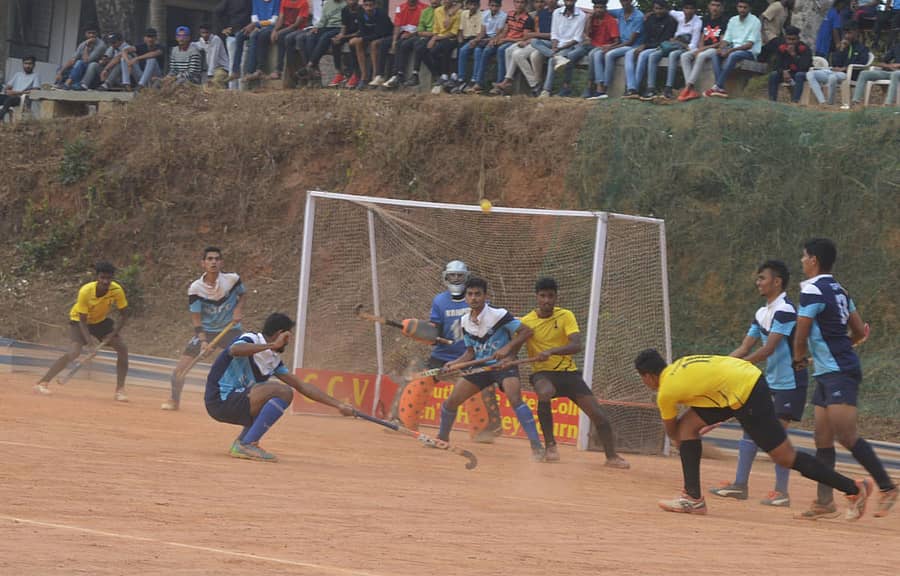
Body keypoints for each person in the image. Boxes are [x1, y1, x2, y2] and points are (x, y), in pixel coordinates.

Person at [634, 350, 872, 518]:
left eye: (642, 378)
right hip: (740, 379)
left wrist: (684, 444)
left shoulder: (665, 392)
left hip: (745, 391)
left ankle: (854, 487)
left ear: (648, 376)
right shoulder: (678, 365)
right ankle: (693, 498)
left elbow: (672, 432)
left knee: (784, 456)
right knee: (688, 428)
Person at [793, 238, 897, 519]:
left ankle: (887, 487)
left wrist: (798, 359)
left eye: (803, 257)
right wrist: (835, 348)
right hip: (831, 370)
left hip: (839, 372)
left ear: (814, 260)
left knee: (846, 435)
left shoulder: (811, 289)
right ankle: (824, 502)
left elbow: (801, 334)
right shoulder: (840, 289)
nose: (801, 261)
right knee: (822, 438)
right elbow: (860, 332)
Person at [708, 260, 807, 507]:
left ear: (777, 281)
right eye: (758, 278)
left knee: (776, 436)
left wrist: (739, 367)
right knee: (750, 428)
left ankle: (781, 492)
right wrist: (717, 366)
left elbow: (769, 349)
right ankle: (740, 485)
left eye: (762, 278)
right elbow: (745, 347)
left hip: (790, 382)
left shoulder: (785, 309)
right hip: (770, 381)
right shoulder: (762, 313)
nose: (758, 282)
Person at [205, 312, 354, 461]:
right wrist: (272, 345)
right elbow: (234, 350)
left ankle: (243, 442)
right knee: (282, 391)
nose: (289, 341)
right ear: (280, 333)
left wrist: (339, 405)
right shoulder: (251, 338)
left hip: (236, 403)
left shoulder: (274, 360)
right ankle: (247, 444)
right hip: (220, 400)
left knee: (278, 395)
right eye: (288, 336)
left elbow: (302, 386)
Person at [517, 278, 629, 467]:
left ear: (556, 297)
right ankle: (550, 446)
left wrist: (551, 351)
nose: (546, 300)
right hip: (543, 373)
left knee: (598, 414)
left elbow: (576, 345)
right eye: (542, 296)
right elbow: (514, 344)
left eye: (550, 296)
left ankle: (611, 457)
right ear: (536, 297)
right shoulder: (526, 322)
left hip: (569, 374)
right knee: (544, 392)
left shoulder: (566, 315)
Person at [389, 261, 502, 443]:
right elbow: (435, 330)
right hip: (442, 356)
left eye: (460, 276)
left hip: (470, 358)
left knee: (479, 386)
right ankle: (401, 420)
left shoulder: (478, 300)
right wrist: (420, 331)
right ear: (445, 278)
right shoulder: (439, 301)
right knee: (417, 380)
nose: (456, 279)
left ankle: (486, 428)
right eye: (452, 276)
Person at [436, 277, 544, 460]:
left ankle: (537, 447)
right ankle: (442, 438)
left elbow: (526, 332)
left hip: (504, 365)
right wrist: (454, 364)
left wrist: (508, 349)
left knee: (515, 398)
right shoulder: (464, 321)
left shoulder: (498, 315)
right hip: (481, 368)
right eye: (470, 294)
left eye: (478, 294)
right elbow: (470, 353)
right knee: (451, 401)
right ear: (465, 298)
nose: (474, 298)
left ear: (485, 296)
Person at [162, 246, 247, 411]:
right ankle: (174, 399)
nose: (213, 262)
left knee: (243, 363)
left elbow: (243, 294)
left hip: (231, 330)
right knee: (181, 369)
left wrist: (238, 309)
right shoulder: (195, 288)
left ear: (221, 262)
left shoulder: (232, 280)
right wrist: (202, 342)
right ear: (203, 263)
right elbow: (196, 320)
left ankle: (241, 402)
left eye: (216, 259)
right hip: (206, 332)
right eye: (209, 259)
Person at [35, 262, 130, 402]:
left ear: (112, 278)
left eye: (109, 278)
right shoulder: (85, 291)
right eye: (102, 277)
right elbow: (82, 321)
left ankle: (119, 390)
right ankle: (42, 383)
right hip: (79, 321)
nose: (106, 281)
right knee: (74, 352)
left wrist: (113, 333)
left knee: (122, 348)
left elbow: (125, 314)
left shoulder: (117, 290)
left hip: (100, 321)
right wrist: (91, 345)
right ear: (97, 277)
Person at [704, 0, 761, 98]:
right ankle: (720, 88)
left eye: (745, 7)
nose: (742, 9)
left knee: (733, 55)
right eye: (740, 7)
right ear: (737, 7)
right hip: (733, 49)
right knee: (714, 53)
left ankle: (717, 86)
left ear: (749, 8)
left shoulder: (755, 21)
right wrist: (721, 48)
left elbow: (750, 45)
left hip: (749, 52)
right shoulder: (733, 20)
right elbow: (726, 39)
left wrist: (730, 50)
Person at [622, 0, 676, 99]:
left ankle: (637, 88)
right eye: (656, 8)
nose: (658, 11)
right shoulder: (650, 18)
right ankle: (631, 88)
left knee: (643, 55)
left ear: (666, 9)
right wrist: (643, 45)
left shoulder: (670, 21)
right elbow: (646, 35)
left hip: (660, 47)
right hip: (647, 45)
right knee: (629, 53)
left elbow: (664, 40)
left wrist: (645, 46)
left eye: (661, 9)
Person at [649, 0, 701, 101]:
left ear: (695, 10)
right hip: (673, 44)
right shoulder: (679, 15)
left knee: (673, 55)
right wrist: (650, 13)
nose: (688, 11)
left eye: (691, 8)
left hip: (684, 47)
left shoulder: (697, 23)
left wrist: (679, 43)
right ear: (683, 9)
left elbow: (693, 46)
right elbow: (667, 11)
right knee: (653, 56)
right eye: (686, 8)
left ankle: (668, 88)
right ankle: (650, 88)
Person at [537, 0, 589, 98]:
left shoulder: (581, 15)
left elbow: (576, 39)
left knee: (552, 60)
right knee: (534, 42)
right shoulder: (557, 12)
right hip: (556, 44)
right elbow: (554, 33)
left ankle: (546, 90)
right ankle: (556, 56)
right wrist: (554, 47)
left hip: (569, 45)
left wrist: (560, 48)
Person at [677, 0, 727, 102]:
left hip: (715, 50)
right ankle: (691, 89)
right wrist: (700, 48)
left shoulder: (724, 21)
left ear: (722, 8)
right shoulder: (705, 20)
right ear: (709, 6)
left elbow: (721, 43)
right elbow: (702, 38)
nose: (715, 8)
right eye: (713, 5)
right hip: (703, 48)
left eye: (718, 5)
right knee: (685, 56)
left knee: (700, 56)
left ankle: (688, 87)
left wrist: (702, 50)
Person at [381, 0, 429, 89]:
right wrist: (394, 41)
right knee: (385, 44)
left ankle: (398, 74)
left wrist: (412, 34)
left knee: (402, 44)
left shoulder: (424, 8)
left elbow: (423, 27)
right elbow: (397, 25)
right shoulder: (400, 7)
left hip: (416, 35)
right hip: (403, 34)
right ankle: (381, 75)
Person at [350, 0, 394, 89]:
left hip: (385, 35)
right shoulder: (361, 14)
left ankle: (375, 75)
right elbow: (362, 31)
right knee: (357, 43)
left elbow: (380, 33)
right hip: (370, 36)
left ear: (375, 6)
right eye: (366, 5)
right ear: (363, 6)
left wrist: (363, 38)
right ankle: (364, 76)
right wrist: (360, 38)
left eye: (371, 5)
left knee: (374, 44)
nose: (369, 8)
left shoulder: (381, 14)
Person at [603, 0, 644, 96]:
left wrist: (612, 47)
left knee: (610, 54)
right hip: (622, 45)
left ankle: (606, 86)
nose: (623, 2)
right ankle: (604, 87)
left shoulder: (638, 16)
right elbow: (604, 11)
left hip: (634, 46)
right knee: (604, 53)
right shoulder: (620, 12)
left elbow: (631, 41)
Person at [583, 0, 621, 99]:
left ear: (605, 8)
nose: (598, 10)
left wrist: (610, 46)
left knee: (593, 55)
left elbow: (617, 41)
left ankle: (596, 87)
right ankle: (591, 86)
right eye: (596, 8)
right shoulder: (593, 18)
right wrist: (589, 19)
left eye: (601, 7)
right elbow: (587, 35)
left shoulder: (611, 21)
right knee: (573, 55)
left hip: (604, 46)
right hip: (592, 45)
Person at [266, 0, 310, 80]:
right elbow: (281, 17)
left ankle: (283, 70)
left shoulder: (303, 3)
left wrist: (280, 32)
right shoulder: (284, 1)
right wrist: (275, 30)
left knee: (284, 37)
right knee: (271, 35)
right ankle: (279, 70)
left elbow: (297, 24)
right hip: (286, 27)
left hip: (299, 28)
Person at [766, 25, 811, 103]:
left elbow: (805, 67)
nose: (791, 42)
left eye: (793, 39)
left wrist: (794, 55)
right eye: (788, 39)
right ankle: (772, 100)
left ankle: (795, 101)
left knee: (799, 75)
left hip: (799, 73)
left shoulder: (804, 48)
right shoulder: (781, 48)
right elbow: (777, 65)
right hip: (785, 73)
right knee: (774, 75)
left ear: (798, 39)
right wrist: (783, 71)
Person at [242, 0, 283, 83]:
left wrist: (257, 24)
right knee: (250, 36)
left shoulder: (277, 1)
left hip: (272, 27)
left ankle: (260, 69)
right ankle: (250, 72)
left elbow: (274, 20)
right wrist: (257, 25)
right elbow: (254, 17)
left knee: (261, 35)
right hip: (260, 26)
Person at [56, 24, 107, 90]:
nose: (91, 35)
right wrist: (60, 72)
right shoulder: (82, 44)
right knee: (61, 68)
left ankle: (67, 84)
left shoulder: (101, 45)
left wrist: (87, 46)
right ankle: (59, 84)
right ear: (85, 34)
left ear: (97, 34)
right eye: (89, 33)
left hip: (93, 75)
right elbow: (73, 59)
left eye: (93, 33)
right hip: (82, 71)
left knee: (80, 63)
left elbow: (86, 61)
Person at [217, 0, 253, 84]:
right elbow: (217, 11)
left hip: (242, 34)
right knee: (240, 65)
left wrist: (223, 27)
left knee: (235, 65)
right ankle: (236, 92)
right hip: (237, 35)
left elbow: (217, 11)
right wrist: (223, 27)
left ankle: (237, 92)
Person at [330, 0, 364, 87]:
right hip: (347, 34)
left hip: (359, 34)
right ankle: (339, 73)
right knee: (335, 42)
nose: (350, 1)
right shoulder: (345, 10)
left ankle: (355, 74)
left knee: (352, 43)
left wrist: (344, 36)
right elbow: (344, 26)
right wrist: (340, 35)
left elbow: (360, 31)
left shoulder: (362, 10)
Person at [0, 55, 40, 121]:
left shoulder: (36, 76)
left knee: (10, 99)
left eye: (30, 64)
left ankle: (0, 117)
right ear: (23, 64)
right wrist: (7, 90)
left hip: (21, 99)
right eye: (25, 63)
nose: (27, 66)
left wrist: (16, 92)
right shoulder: (18, 74)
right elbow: (7, 87)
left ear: (34, 65)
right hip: (11, 96)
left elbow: (35, 90)